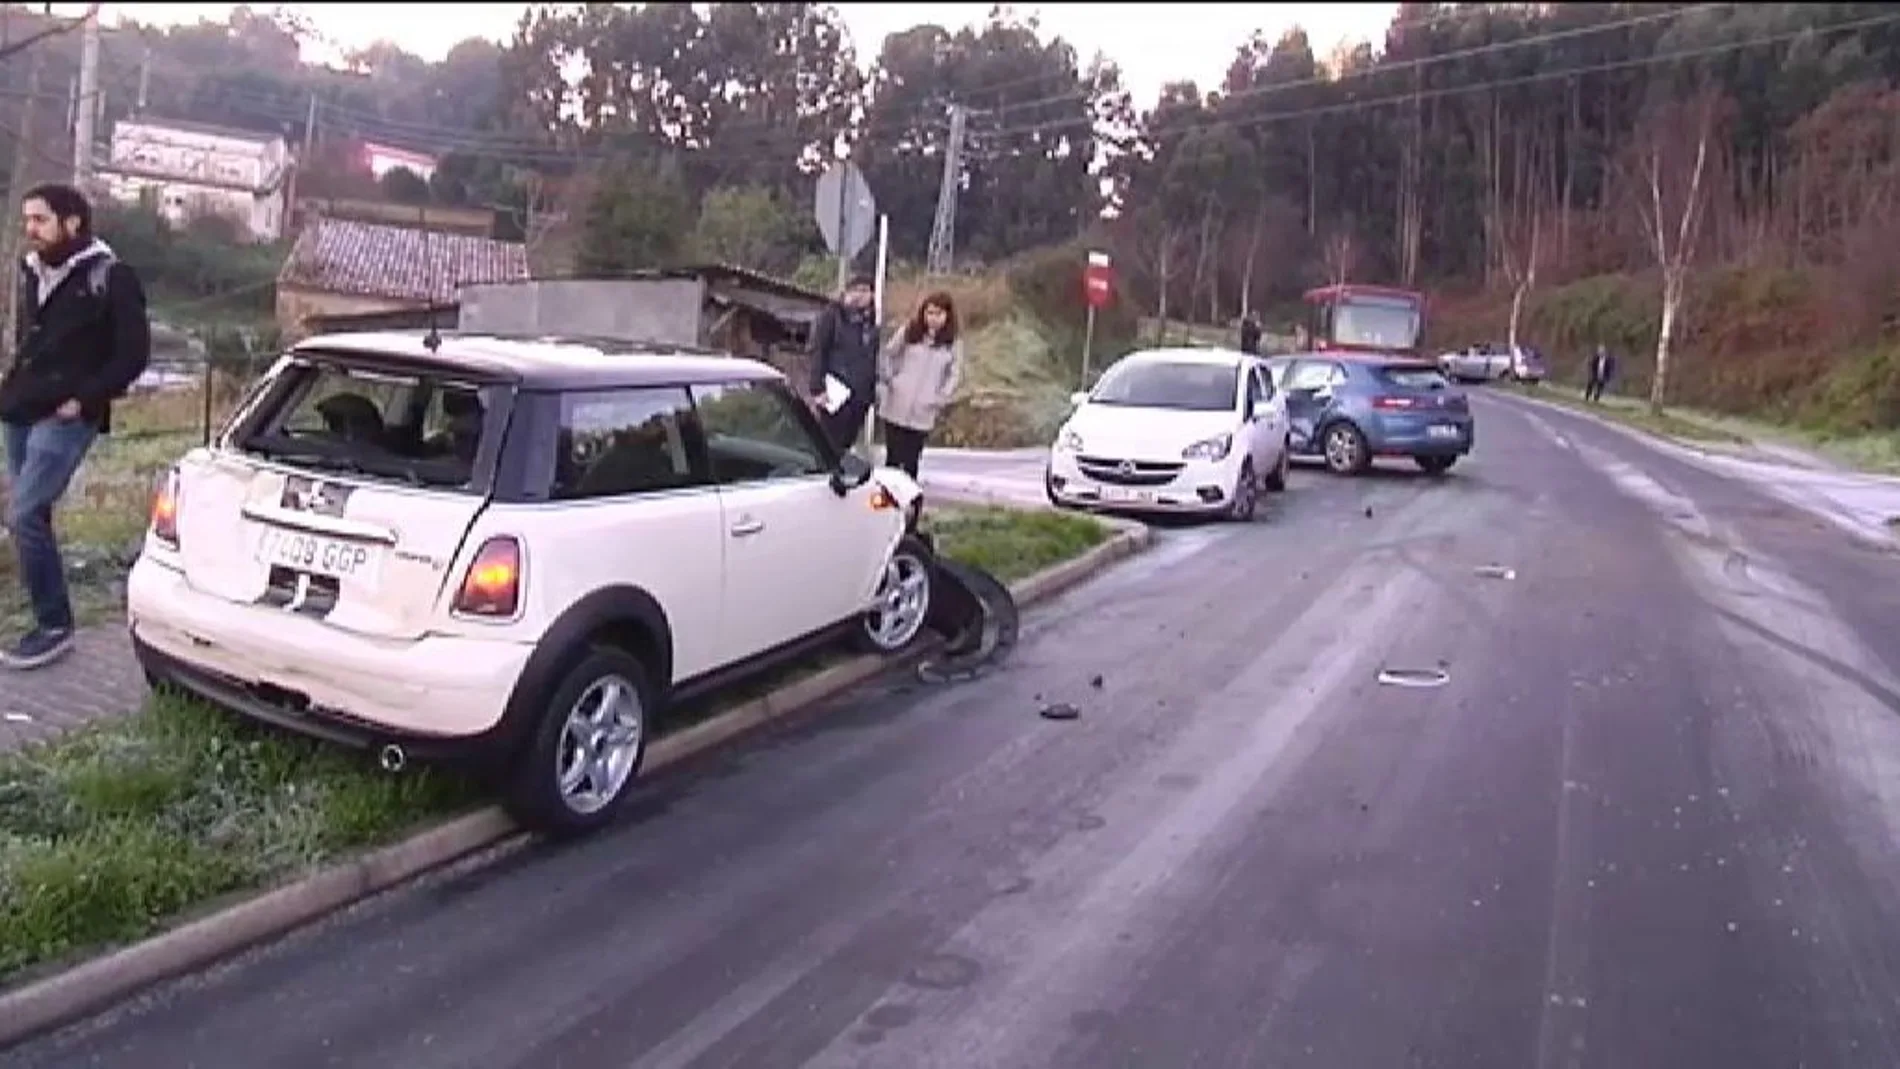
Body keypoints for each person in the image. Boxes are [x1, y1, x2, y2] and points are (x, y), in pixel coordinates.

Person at [0, 183, 151, 670]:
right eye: (28, 220)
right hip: (22, 410)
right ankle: (43, 609)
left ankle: (54, 625)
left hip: (65, 417)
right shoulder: (32, 271)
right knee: (30, 515)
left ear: (73, 223)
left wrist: (82, 400)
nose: (31, 230)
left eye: (40, 220)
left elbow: (133, 354)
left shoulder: (112, 277)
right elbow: (32, 339)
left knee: (24, 513)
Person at [876, 291, 963, 479]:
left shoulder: (952, 343)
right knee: (893, 458)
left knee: (911, 460)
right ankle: (886, 501)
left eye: (938, 313)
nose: (933, 318)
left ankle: (909, 502)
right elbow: (889, 353)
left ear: (947, 315)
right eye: (929, 313)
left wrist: (941, 397)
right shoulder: (909, 331)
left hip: (924, 410)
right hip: (896, 403)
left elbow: (954, 374)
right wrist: (890, 379)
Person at [806, 274, 880, 453]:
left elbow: (872, 357)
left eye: (866, 290)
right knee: (830, 443)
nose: (860, 295)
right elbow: (818, 350)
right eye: (856, 290)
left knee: (847, 443)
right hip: (836, 391)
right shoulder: (832, 316)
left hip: (860, 395)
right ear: (846, 292)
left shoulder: (870, 321)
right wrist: (817, 388)